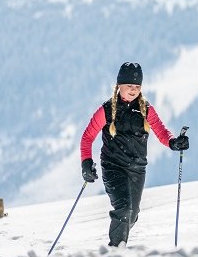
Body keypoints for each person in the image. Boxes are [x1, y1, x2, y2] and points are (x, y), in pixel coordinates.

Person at [79, 62, 189, 247]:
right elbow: (87, 137)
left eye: (137, 87)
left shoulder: (145, 109)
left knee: (133, 213)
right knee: (123, 209)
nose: (133, 90)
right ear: (119, 85)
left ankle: (117, 245)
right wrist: (86, 163)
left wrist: (174, 142)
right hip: (113, 167)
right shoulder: (106, 110)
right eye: (129, 86)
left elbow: (162, 132)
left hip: (137, 169)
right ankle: (115, 253)